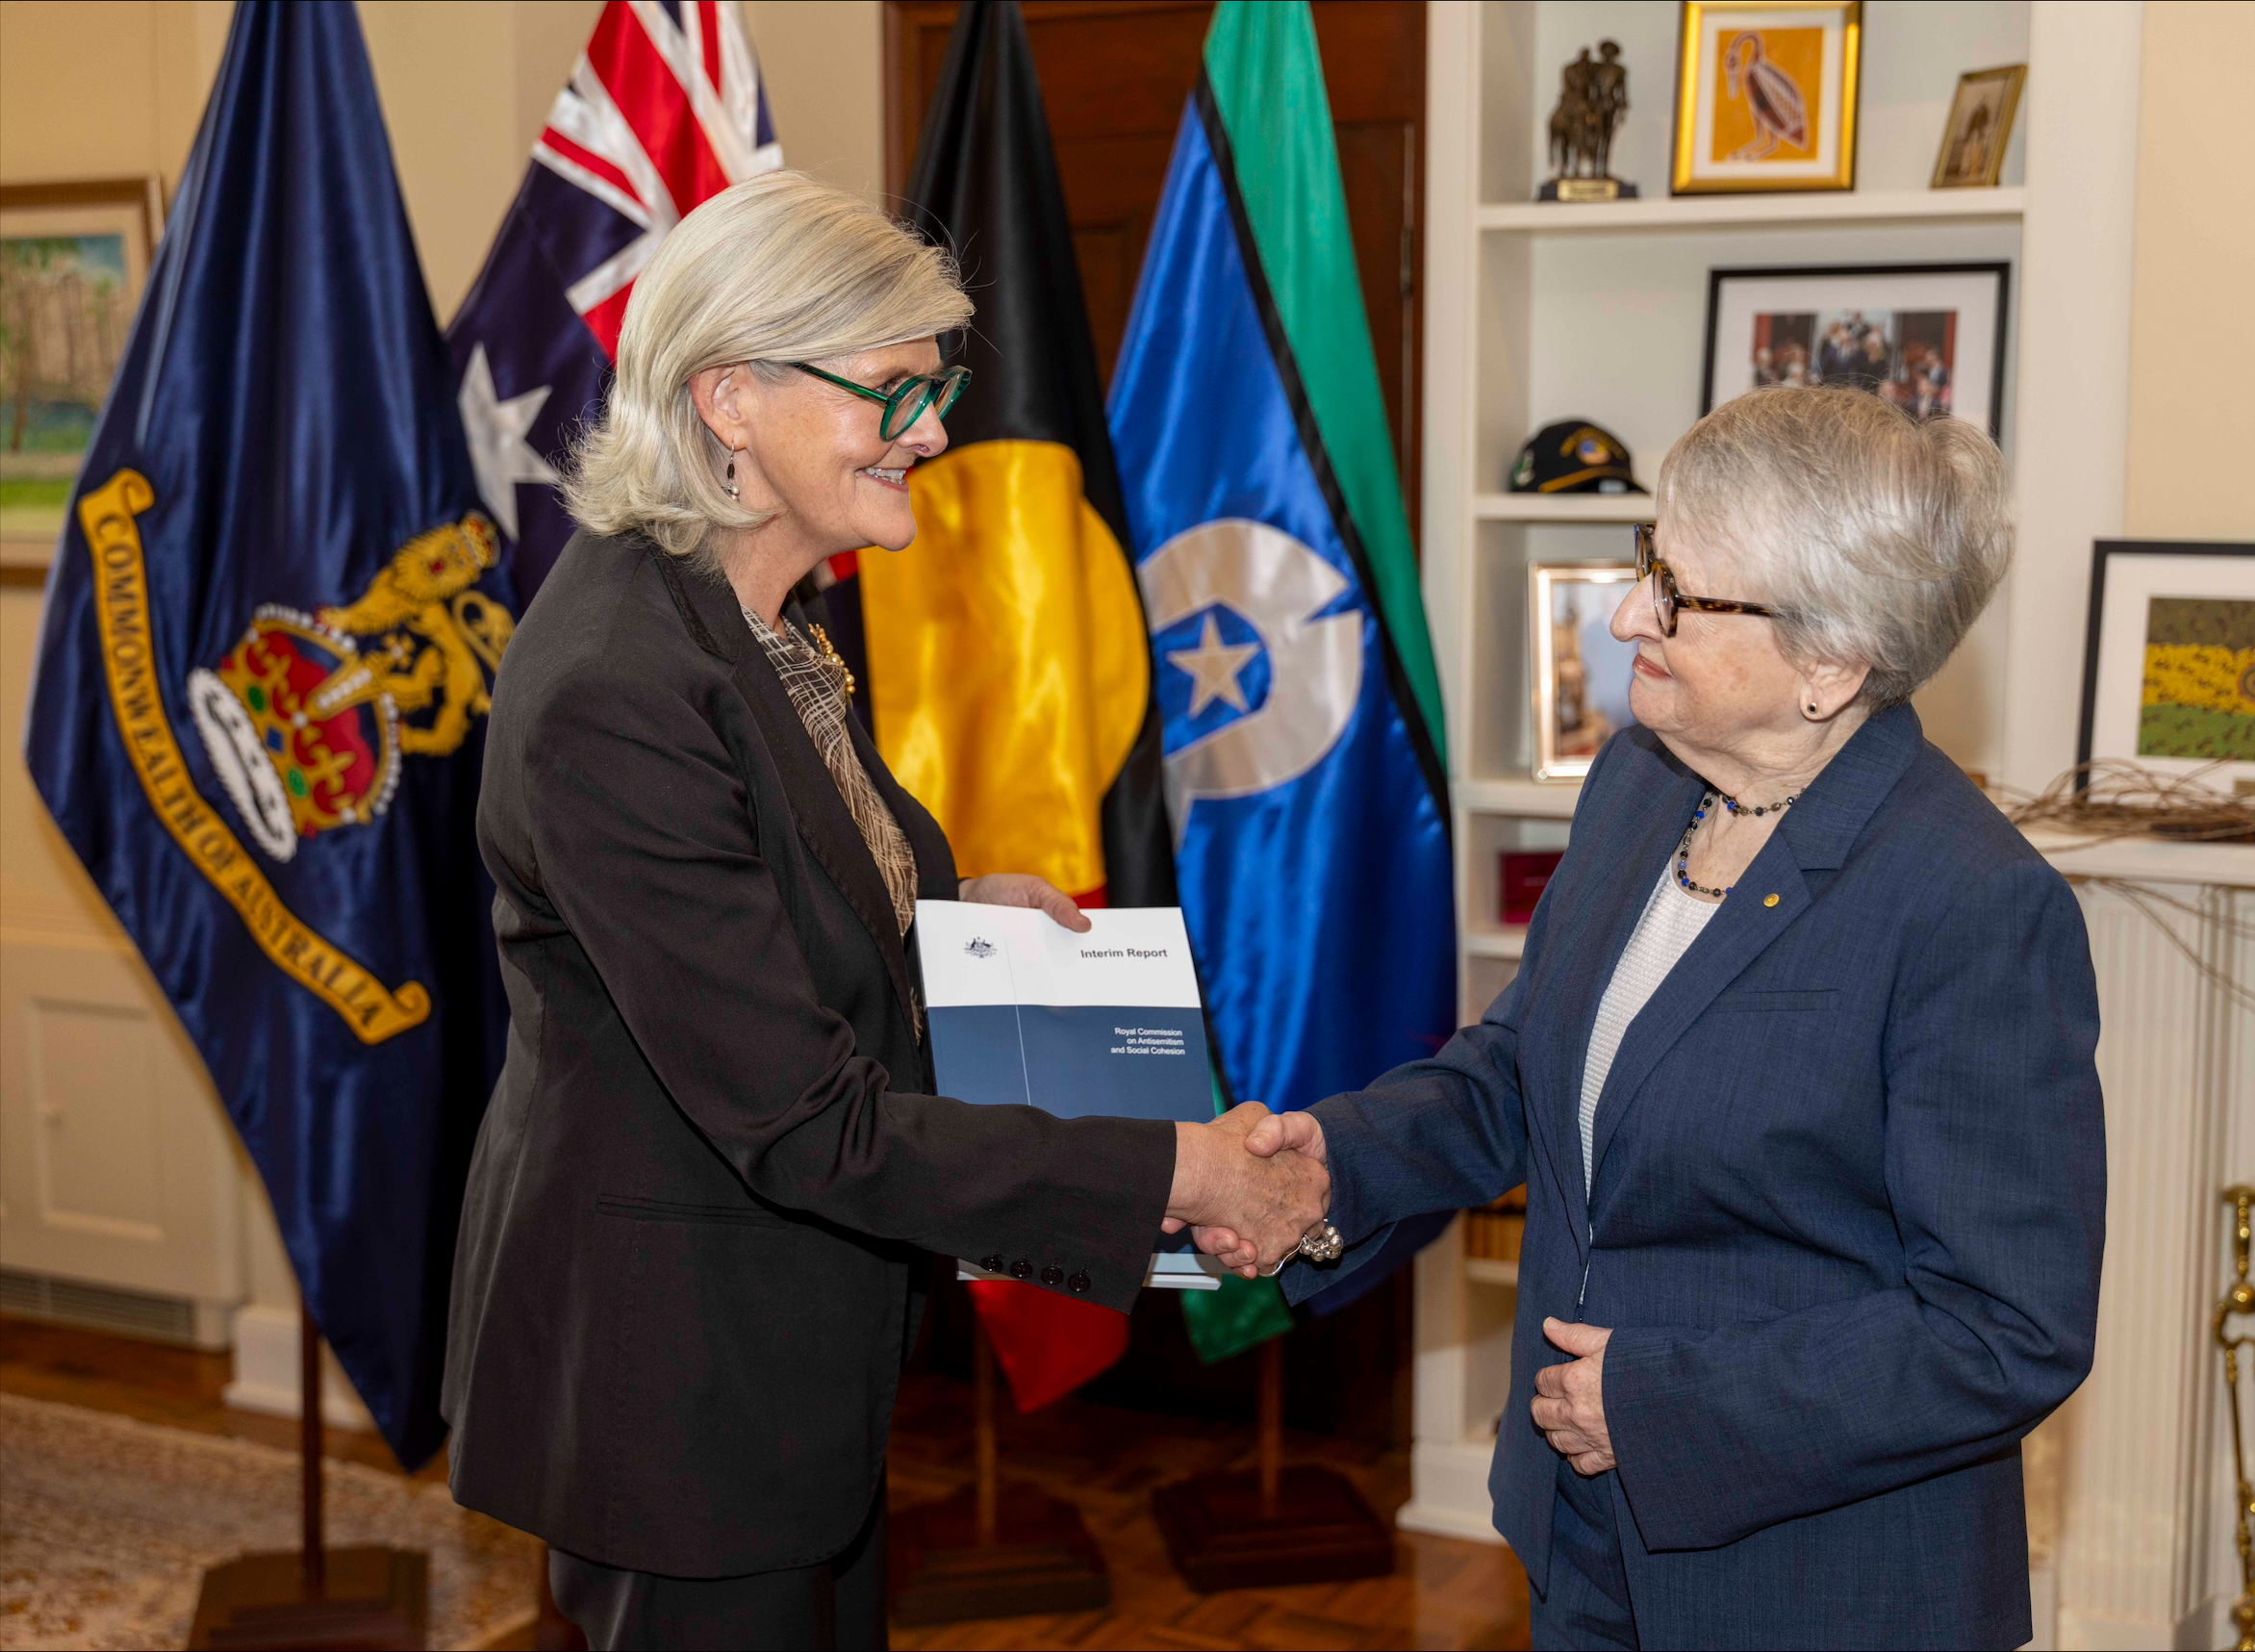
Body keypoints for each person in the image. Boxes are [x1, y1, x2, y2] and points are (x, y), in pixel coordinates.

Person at [442, 172, 1328, 1652]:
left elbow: (772, 884)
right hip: (679, 1399)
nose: (932, 428)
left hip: (779, 1361)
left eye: (939, 382)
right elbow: (806, 1120)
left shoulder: (751, 615)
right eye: (894, 388)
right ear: (730, 398)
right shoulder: (619, 686)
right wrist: (1175, 1169)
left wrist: (950, 901)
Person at [1207, 386, 2105, 1649]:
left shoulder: (1970, 905)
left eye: (1678, 593)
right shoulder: (1639, 783)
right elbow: (1528, 1067)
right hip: (1582, 1538)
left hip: (1816, 1587)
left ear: (1829, 661)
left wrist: (1662, 1404)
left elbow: (2004, 1328)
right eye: (1646, 566)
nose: (1627, 613)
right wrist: (1331, 1161)